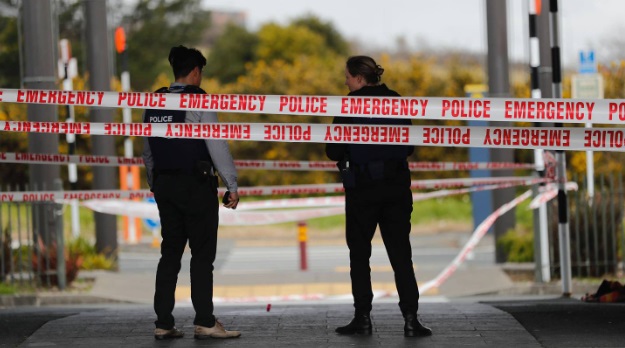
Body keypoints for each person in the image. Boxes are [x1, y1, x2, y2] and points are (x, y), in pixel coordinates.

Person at [326, 55, 432, 337]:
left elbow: (333, 151)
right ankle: (411, 319)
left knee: (360, 256)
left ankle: (363, 319)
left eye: (347, 76)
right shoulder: (396, 100)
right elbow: (408, 146)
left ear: (359, 78)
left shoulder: (349, 106)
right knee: (401, 256)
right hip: (396, 188)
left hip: (361, 190)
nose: (345, 81)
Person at [142, 45, 241, 340]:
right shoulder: (198, 100)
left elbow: (147, 151)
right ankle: (205, 322)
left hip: (164, 185)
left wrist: (154, 182)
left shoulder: (155, 100)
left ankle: (163, 322)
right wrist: (231, 184)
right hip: (195, 185)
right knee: (201, 255)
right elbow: (216, 145)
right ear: (196, 72)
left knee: (170, 252)